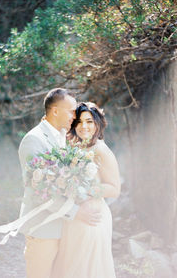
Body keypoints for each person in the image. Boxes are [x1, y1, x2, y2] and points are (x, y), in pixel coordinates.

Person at [18, 89, 102, 278]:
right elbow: (39, 191)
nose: (74, 116)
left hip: (64, 228)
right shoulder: (34, 140)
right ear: (55, 111)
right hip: (43, 230)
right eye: (71, 111)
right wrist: (77, 212)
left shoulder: (62, 137)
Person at [50, 102, 121, 278]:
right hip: (74, 216)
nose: (84, 127)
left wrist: (85, 189)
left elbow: (114, 189)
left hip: (93, 217)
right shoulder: (75, 147)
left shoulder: (102, 150)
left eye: (89, 121)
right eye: (79, 122)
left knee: (89, 267)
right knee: (70, 265)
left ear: (97, 123)